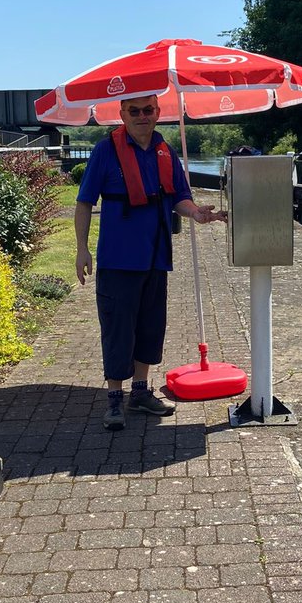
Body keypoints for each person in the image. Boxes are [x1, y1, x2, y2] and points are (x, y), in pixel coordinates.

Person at [75, 94, 226, 431]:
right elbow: (84, 202)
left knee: (150, 326)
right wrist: (81, 248)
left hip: (155, 257)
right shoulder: (105, 151)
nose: (142, 116)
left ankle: (140, 393)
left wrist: (199, 214)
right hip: (117, 259)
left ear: (158, 113)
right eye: (134, 111)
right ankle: (114, 399)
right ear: (122, 114)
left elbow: (179, 198)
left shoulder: (164, 151)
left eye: (148, 110)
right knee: (118, 329)